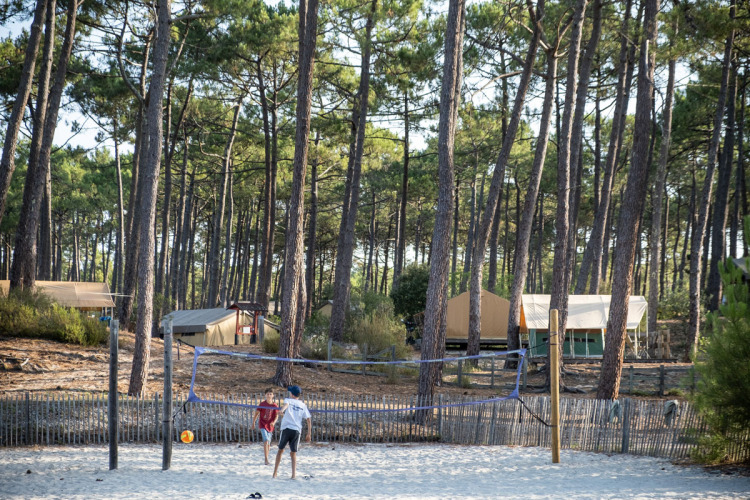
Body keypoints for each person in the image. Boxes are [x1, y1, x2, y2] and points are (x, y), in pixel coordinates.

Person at [272, 385, 311, 479]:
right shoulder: (302, 405)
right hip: (296, 430)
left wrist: (281, 410)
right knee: (293, 453)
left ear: (292, 394)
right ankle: (293, 475)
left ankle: (275, 473)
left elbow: (286, 405)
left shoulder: (288, 400)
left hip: (286, 429)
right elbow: (308, 419)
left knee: (280, 450)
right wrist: (309, 433)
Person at [252, 388, 279, 465]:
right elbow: (256, 414)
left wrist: (273, 422)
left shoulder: (274, 405)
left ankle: (267, 456)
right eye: (268, 394)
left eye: (270, 394)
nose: (269, 395)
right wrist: (253, 422)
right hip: (263, 424)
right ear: (265, 395)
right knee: (266, 440)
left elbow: (276, 416)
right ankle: (266, 459)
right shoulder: (262, 404)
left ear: (273, 395)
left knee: (269, 443)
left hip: (270, 426)